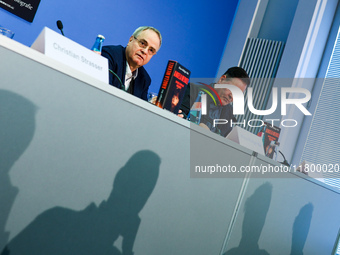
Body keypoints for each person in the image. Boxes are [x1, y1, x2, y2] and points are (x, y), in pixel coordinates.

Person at [180, 67, 250, 137]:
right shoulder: (193, 91)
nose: (232, 97)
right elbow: (178, 117)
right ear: (222, 79)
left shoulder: (229, 112)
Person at [101, 26, 162, 101]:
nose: (145, 51)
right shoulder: (109, 56)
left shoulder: (144, 79)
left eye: (151, 50)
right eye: (142, 43)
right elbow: (103, 94)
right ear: (131, 40)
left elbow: (141, 109)